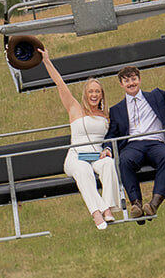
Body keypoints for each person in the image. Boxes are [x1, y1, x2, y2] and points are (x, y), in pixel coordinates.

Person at [38, 44, 121, 231]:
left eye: (97, 92)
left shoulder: (106, 115)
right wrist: (47, 61)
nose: (94, 95)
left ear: (101, 96)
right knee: (83, 170)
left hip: (97, 156)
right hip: (77, 157)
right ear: (85, 93)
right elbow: (60, 84)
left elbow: (121, 127)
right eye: (91, 91)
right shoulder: (75, 109)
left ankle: (108, 207)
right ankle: (97, 212)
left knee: (109, 164)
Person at [105, 50, 165, 222]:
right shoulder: (117, 110)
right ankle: (136, 204)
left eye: (133, 79)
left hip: (155, 142)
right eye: (126, 80)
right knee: (125, 160)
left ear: (139, 80)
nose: (131, 83)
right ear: (121, 84)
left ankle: (154, 203)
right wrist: (107, 148)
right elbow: (112, 133)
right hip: (134, 145)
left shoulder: (156, 96)